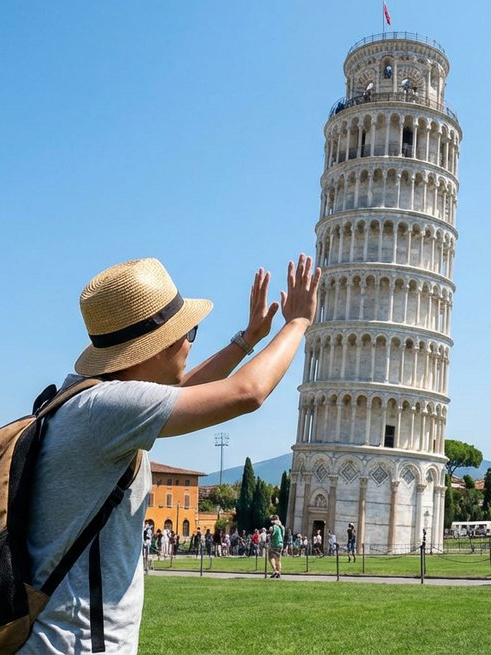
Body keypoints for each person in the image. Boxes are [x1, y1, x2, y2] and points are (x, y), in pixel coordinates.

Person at [18, 255, 319, 654]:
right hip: (76, 645)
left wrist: (247, 340)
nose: (191, 343)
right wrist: (298, 322)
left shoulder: (85, 400)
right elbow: (247, 392)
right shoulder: (108, 409)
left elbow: (186, 391)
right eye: (188, 332)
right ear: (156, 346)